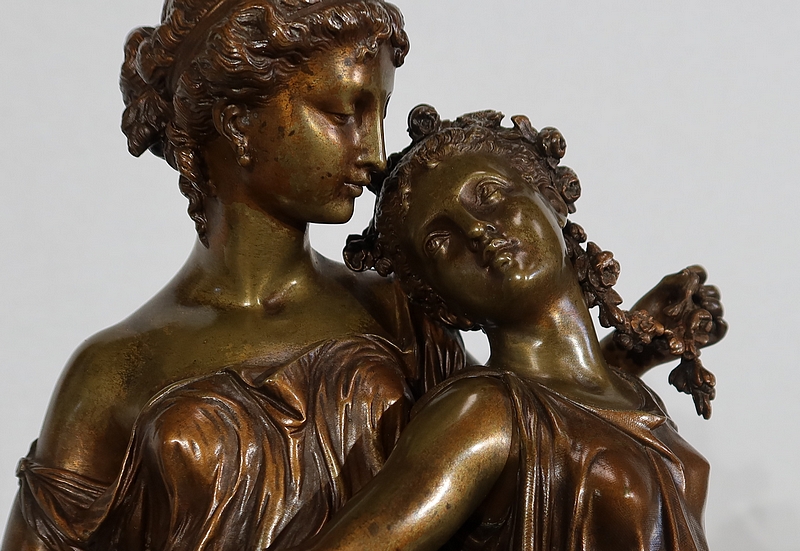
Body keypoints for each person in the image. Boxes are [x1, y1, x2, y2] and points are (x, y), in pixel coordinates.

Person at [2, 1, 724, 549]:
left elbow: (531, 460)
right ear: (237, 122)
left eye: (378, 112)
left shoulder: (403, 316)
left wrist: (623, 354)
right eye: (343, 112)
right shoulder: (115, 373)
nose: (375, 153)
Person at [299, 106, 715, 550]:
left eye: (488, 193)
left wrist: (634, 348)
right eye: (439, 241)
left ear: (551, 200)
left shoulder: (632, 395)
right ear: (444, 304)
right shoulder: (482, 413)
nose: (476, 230)